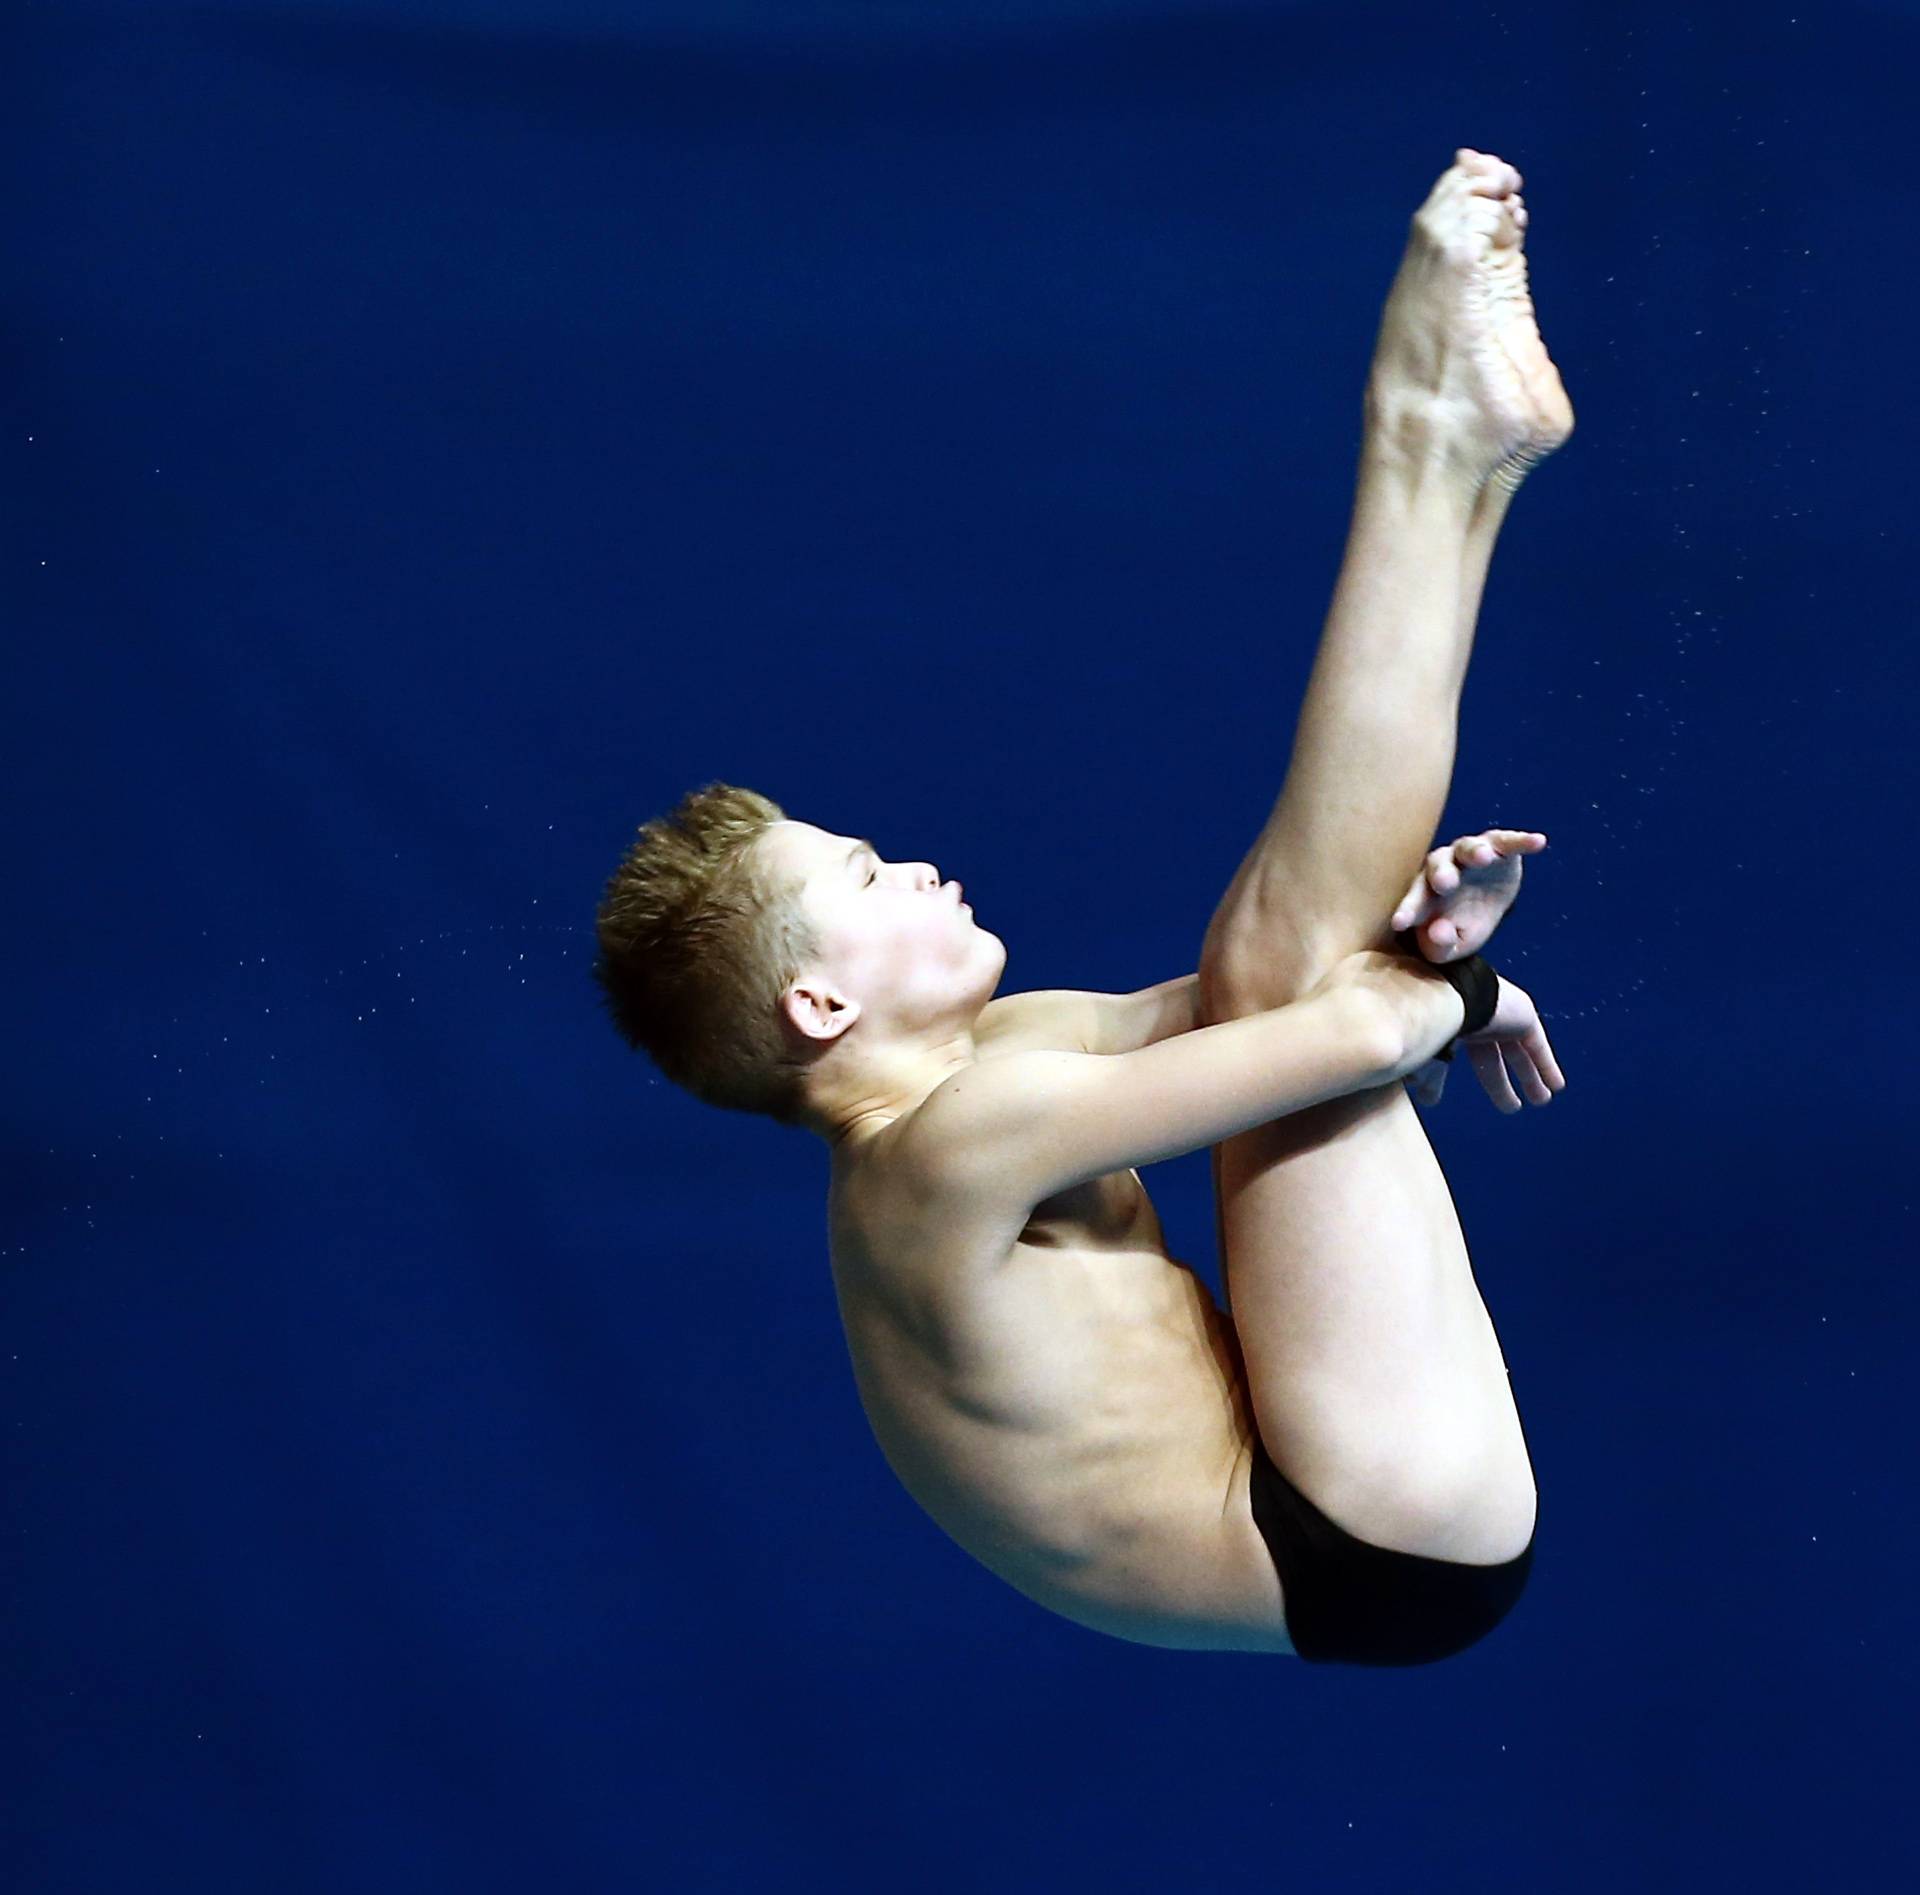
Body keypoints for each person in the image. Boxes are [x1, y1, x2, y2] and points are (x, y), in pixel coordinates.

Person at [592, 149, 1573, 1662]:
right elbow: (1344, 1022)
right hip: (1362, 1536)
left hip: (1331, 1469)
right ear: (820, 1007)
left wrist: (1442, 969)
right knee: (1290, 965)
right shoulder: (941, 1158)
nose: (913, 863)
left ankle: (1460, 462)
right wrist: (1429, 994)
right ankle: (1428, 440)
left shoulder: (1012, 1057)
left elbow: (1288, 1008)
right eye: (865, 878)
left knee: (1272, 963)